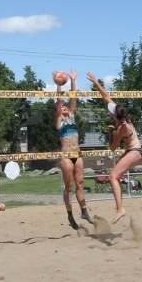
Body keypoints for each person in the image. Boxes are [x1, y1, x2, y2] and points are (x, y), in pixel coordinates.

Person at [87, 72, 142, 224]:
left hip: (135, 152)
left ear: (114, 115)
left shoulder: (121, 128)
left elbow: (112, 148)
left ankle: (120, 209)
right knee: (115, 177)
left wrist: (110, 132)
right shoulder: (121, 117)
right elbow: (105, 95)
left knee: (112, 177)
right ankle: (120, 208)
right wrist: (95, 81)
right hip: (131, 151)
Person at [55, 70, 92, 229]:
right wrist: (58, 85)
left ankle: (84, 211)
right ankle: (70, 215)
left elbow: (73, 98)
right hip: (65, 156)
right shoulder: (59, 120)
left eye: (65, 106)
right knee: (68, 186)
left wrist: (73, 80)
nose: (63, 107)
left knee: (81, 184)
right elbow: (59, 100)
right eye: (61, 106)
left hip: (77, 153)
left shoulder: (72, 116)